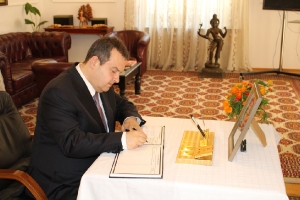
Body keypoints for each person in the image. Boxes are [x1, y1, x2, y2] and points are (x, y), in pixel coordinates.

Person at [26, 36, 148, 200]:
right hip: (64, 181)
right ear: (94, 62)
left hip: (97, 164)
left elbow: (121, 105)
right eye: (113, 71)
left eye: (120, 72)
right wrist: (122, 140)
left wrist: (130, 119)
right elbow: (72, 142)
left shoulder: (99, 82)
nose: (117, 79)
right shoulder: (58, 92)